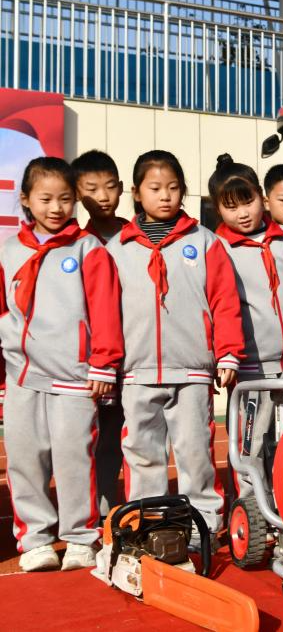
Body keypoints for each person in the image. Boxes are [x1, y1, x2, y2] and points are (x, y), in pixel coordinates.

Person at [106, 150, 244, 541]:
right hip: (136, 372)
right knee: (143, 455)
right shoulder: (117, 248)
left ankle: (205, 523)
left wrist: (228, 352)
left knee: (195, 453)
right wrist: (110, 363)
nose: (165, 196)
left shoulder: (204, 242)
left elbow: (225, 301)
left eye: (173, 188)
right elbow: (105, 312)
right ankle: (149, 524)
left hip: (193, 370)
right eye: (155, 188)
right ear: (136, 193)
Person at [1, 157, 123, 571]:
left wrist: (103, 365)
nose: (56, 208)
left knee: (75, 457)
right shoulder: (8, 250)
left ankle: (79, 536)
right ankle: (34, 538)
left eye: (65, 199)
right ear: (26, 200)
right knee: (24, 457)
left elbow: (105, 312)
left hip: (75, 377)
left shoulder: (88, 250)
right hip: (22, 375)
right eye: (46, 199)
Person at [209, 154, 283, 497]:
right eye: (231, 207)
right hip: (252, 365)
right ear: (219, 211)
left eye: (247, 201)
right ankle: (250, 505)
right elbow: (219, 307)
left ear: (261, 199)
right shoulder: (218, 249)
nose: (243, 213)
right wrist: (226, 355)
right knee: (251, 441)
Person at [71, 149, 129, 517]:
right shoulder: (76, 243)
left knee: (132, 437)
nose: (103, 196)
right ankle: (99, 507)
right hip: (95, 362)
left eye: (110, 187)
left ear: (123, 188)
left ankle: (123, 505)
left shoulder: (137, 235)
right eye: (92, 189)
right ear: (78, 193)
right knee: (95, 438)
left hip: (137, 356)